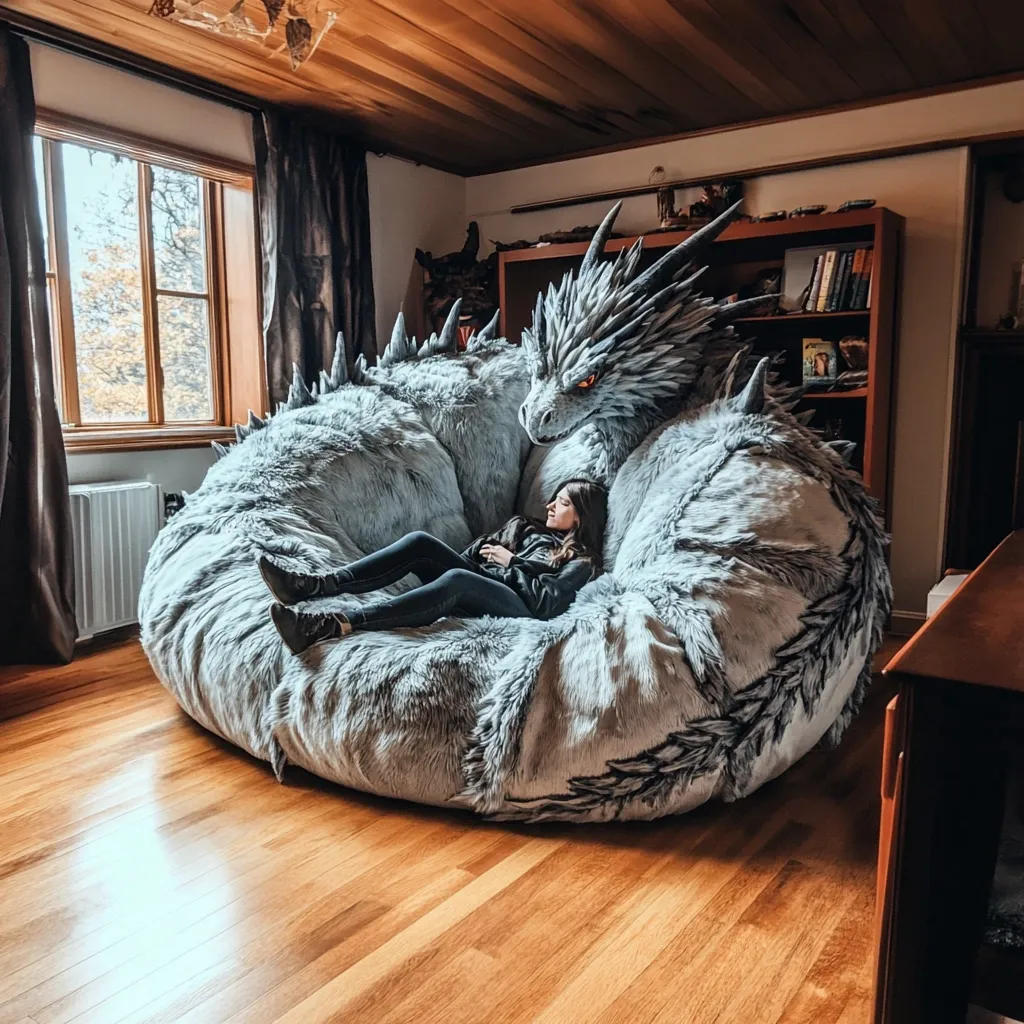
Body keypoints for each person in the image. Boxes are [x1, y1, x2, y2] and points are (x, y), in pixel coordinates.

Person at [260, 479, 607, 654]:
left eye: (561, 503)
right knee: (420, 542)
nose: (550, 505)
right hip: (480, 581)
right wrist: (486, 556)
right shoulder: (526, 526)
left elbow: (547, 604)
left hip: (518, 609)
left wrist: (511, 562)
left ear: (581, 514)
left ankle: (330, 625)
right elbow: (474, 555)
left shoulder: (581, 560)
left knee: (458, 579)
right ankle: (313, 587)